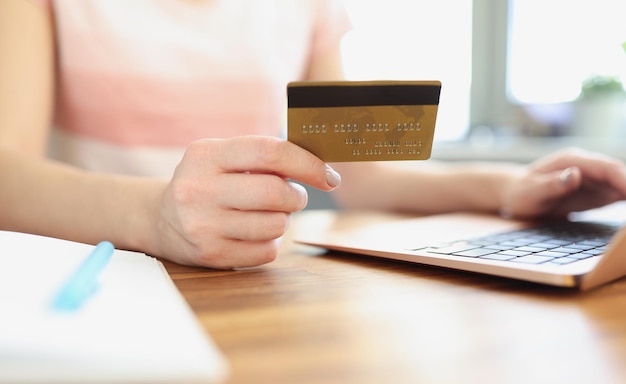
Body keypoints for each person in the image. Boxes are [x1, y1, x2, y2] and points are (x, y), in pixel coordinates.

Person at [2, 0, 626, 269]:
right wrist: (155, 216)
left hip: (252, 277)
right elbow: (8, 174)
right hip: (102, 272)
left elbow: (359, 175)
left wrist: (512, 186)